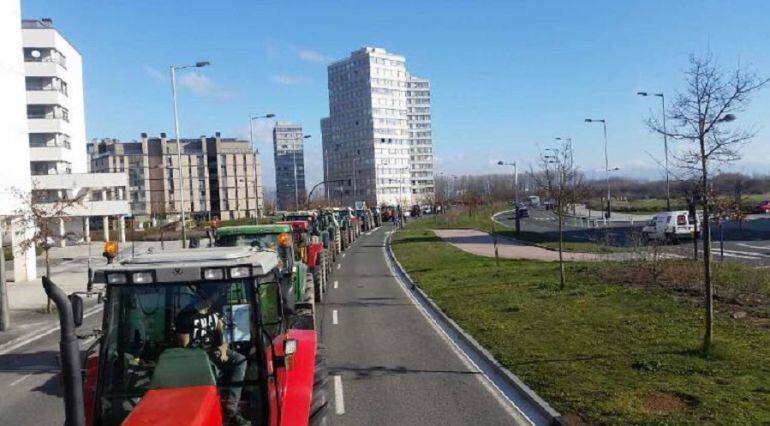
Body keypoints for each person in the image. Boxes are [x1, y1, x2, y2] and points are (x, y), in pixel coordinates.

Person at [175, 284, 248, 425]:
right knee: (211, 371)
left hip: (214, 350)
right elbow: (184, 347)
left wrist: (223, 347)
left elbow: (222, 330)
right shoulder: (185, 317)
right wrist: (205, 356)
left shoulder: (215, 309)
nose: (217, 296)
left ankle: (231, 409)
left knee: (240, 360)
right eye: (214, 293)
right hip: (196, 357)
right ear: (202, 294)